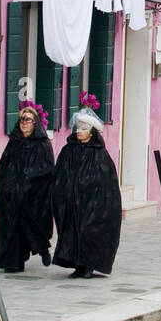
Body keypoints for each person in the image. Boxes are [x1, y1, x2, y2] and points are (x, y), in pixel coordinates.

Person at [51, 109, 121, 279]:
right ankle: (78, 265)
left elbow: (106, 180)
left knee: (88, 231)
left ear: (91, 132)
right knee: (72, 231)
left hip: (92, 203)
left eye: (83, 129)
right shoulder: (68, 151)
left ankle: (89, 265)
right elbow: (60, 174)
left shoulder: (99, 153)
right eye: (77, 129)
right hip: (71, 202)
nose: (79, 133)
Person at [0, 105, 55, 274]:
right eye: (22, 119)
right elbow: (5, 166)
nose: (24, 123)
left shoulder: (42, 144)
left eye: (28, 119)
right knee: (13, 226)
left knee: (31, 224)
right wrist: (7, 186)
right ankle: (13, 262)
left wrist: (29, 179)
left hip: (34, 195)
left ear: (35, 122)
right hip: (13, 194)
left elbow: (48, 168)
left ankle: (42, 248)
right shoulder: (14, 142)